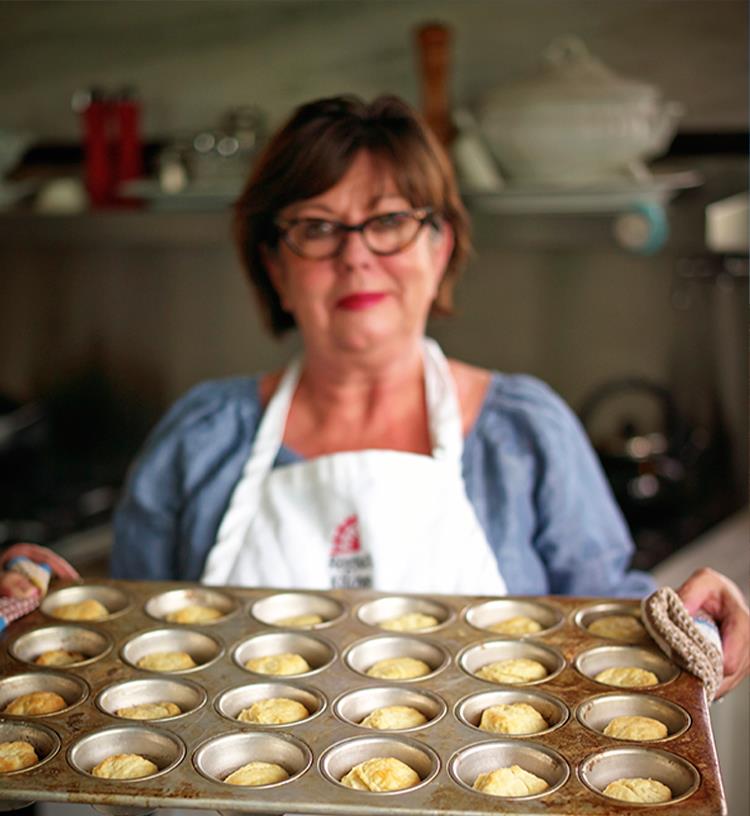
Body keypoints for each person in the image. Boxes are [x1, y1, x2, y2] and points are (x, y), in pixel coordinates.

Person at [110, 95, 748, 697]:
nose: (356, 255)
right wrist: (35, 594)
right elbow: (119, 647)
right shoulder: (201, 438)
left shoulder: (524, 435)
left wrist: (688, 620)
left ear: (440, 246)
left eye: (388, 221)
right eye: (316, 227)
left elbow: (615, 634)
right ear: (276, 266)